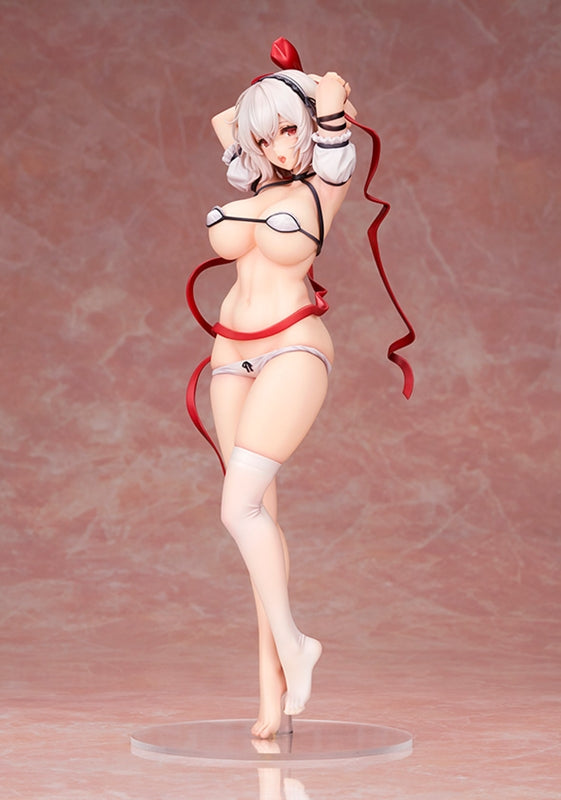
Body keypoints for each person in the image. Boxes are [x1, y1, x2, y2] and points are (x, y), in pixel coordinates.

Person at [190, 66, 356, 740]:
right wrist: (267, 105)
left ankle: (294, 644)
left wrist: (310, 92)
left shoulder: (325, 185)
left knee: (239, 508)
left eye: (291, 129)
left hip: (292, 349)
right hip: (229, 357)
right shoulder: (257, 180)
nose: (281, 144)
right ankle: (269, 696)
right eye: (268, 137)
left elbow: (330, 109)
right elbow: (225, 124)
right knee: (260, 522)